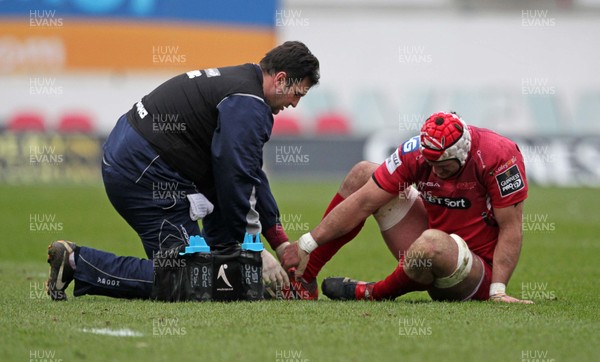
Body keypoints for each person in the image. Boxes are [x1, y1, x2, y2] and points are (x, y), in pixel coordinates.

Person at [45, 41, 320, 301]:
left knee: (211, 262)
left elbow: (249, 173)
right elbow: (237, 175)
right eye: (298, 93)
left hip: (135, 155)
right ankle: (76, 262)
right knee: (188, 276)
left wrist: (280, 243)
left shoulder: (244, 85)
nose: (295, 103)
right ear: (281, 79)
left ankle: (235, 273)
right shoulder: (248, 102)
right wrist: (256, 248)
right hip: (144, 169)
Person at [282, 111, 533, 304]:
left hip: (475, 270)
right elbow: (363, 201)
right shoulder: (416, 151)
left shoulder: (499, 155)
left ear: (462, 153)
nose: (435, 171)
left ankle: (371, 292)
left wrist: (498, 291)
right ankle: (304, 280)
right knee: (362, 174)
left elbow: (511, 227)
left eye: (443, 165)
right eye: (430, 163)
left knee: (431, 243)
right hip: (428, 241)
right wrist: (306, 243)